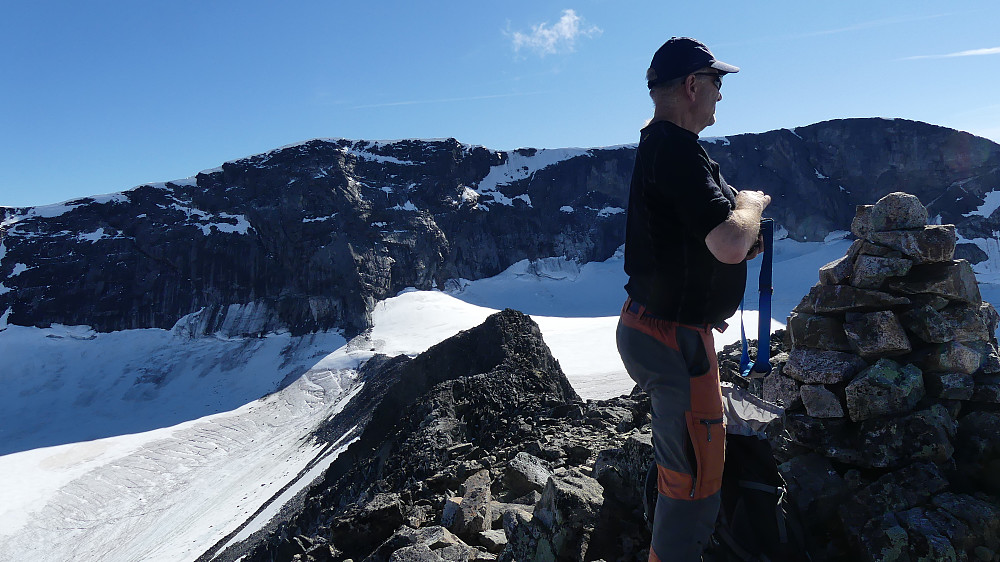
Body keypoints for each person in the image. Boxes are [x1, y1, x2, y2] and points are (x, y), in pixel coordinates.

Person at [616, 37, 770, 562]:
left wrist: (741, 234)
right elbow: (728, 241)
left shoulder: (666, 146)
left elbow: (698, 238)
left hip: (674, 330)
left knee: (696, 456)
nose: (720, 98)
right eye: (716, 85)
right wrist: (749, 205)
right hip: (668, 336)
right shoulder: (676, 150)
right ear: (691, 85)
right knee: (693, 470)